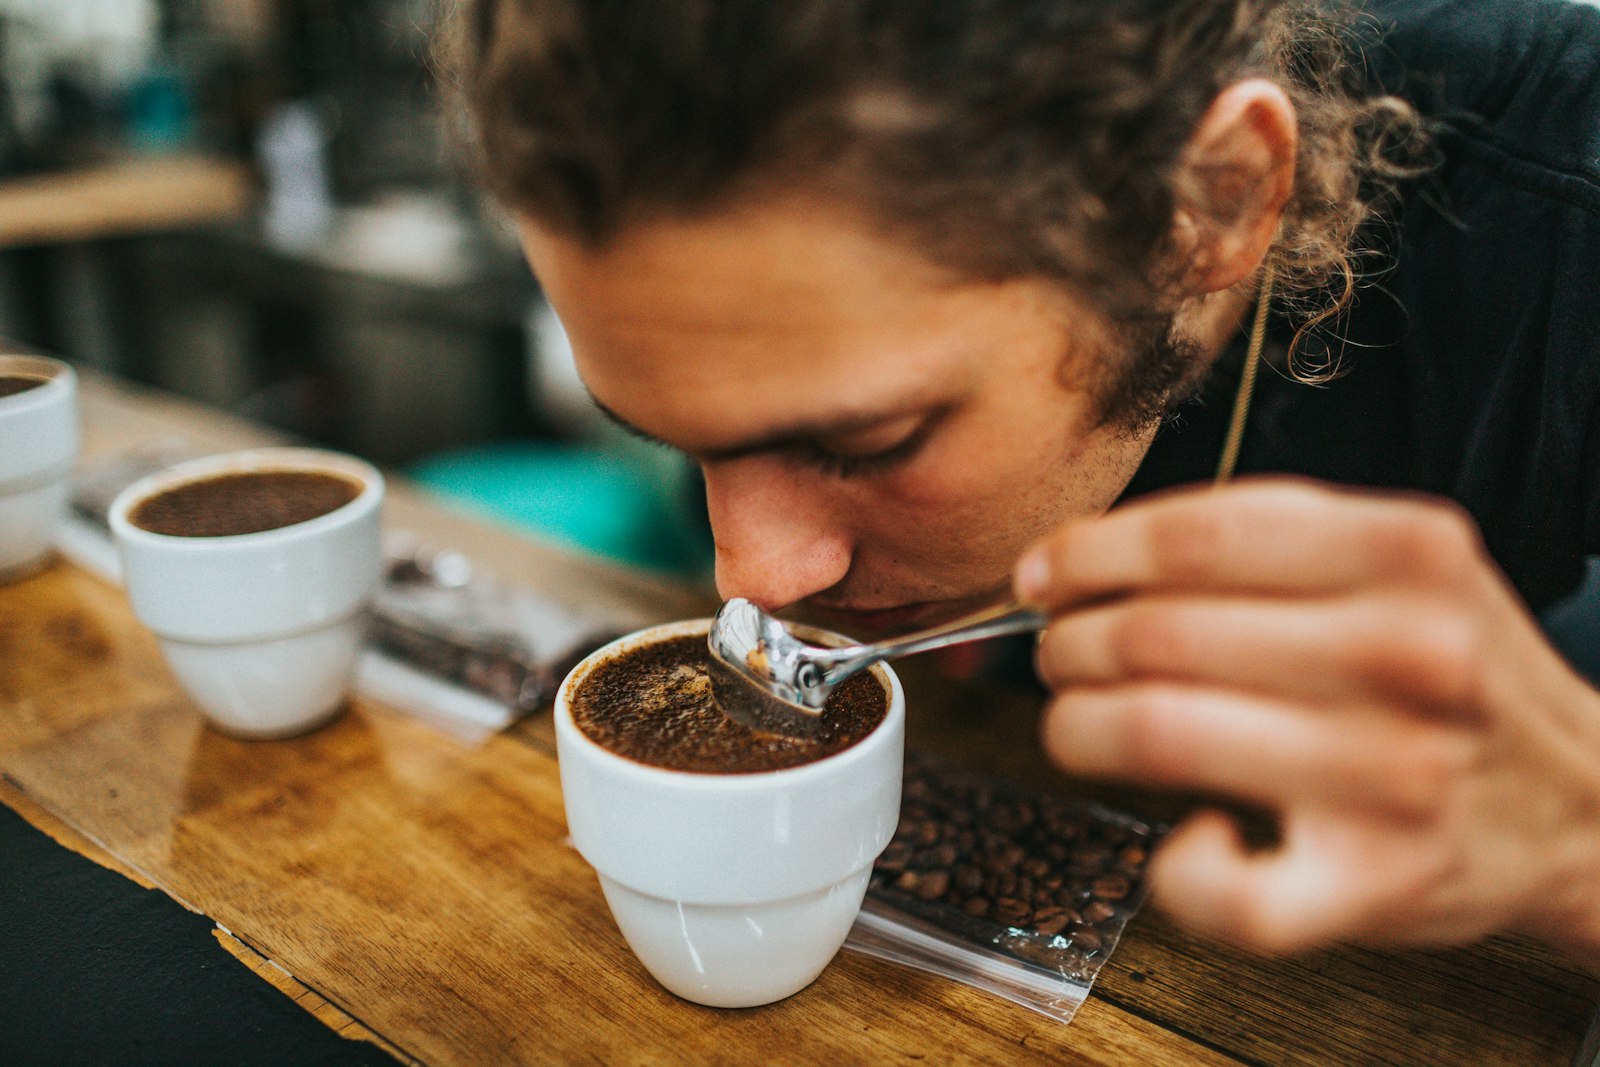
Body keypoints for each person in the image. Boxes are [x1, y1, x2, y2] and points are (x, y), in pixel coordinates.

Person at [445, 0, 1600, 969]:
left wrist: (1573, 843)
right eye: (671, 435)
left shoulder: (1563, 207)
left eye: (870, 437)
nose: (747, 575)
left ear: (1212, 203)